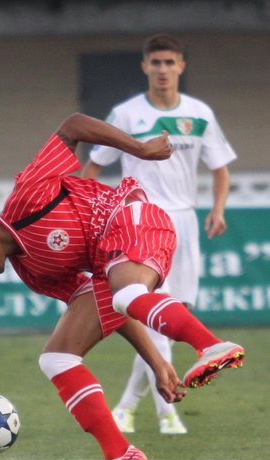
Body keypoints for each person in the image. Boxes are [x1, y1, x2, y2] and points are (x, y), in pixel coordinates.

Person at [0, 112, 245, 460]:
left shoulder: (27, 196)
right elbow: (110, 308)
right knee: (57, 357)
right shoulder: (33, 272)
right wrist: (157, 364)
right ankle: (119, 454)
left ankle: (210, 345)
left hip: (133, 217)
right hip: (115, 265)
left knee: (126, 291)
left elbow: (72, 126)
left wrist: (140, 150)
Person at [82, 33, 237, 436]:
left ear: (181, 66)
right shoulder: (126, 114)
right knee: (157, 318)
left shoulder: (199, 113)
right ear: (145, 66)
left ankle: (126, 408)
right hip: (142, 221)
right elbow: (94, 165)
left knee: (172, 314)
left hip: (184, 221)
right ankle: (168, 414)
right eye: (156, 62)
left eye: (170, 62)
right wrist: (91, 215)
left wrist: (218, 209)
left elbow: (220, 168)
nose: (163, 69)